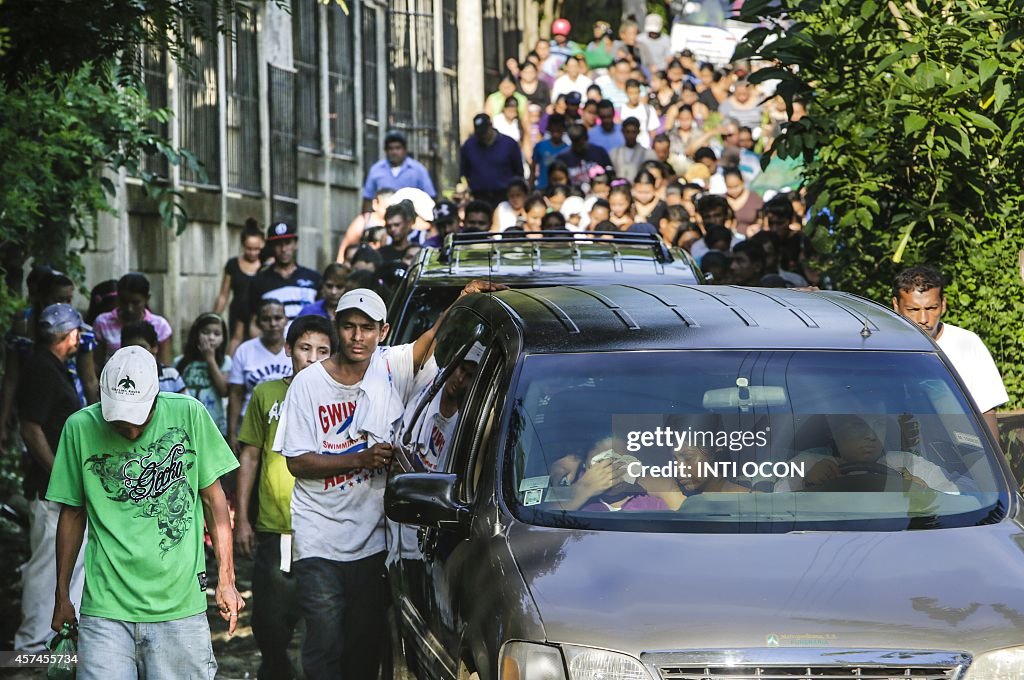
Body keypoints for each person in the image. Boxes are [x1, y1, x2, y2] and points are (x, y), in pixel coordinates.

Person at [278, 280, 501, 680]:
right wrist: (359, 458)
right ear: (337, 327)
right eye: (349, 326)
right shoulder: (309, 384)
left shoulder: (388, 365)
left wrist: (462, 301)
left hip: (373, 541)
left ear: (382, 332)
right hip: (319, 538)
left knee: (364, 644)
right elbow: (297, 461)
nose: (357, 336)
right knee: (324, 642)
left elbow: (432, 338)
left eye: (368, 327)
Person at [48, 346, 243, 677]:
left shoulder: (190, 414)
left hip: (179, 606)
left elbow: (214, 499)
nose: (132, 431)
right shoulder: (80, 428)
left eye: (140, 418)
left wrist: (226, 578)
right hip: (105, 608)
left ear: (156, 396)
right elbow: (72, 515)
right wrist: (62, 593)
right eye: (121, 421)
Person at [235, 315, 336, 680]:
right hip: (277, 529)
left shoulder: (340, 398)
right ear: (288, 350)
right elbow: (249, 456)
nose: (312, 358)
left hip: (326, 530)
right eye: (305, 349)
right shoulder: (266, 394)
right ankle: (277, 669)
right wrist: (242, 518)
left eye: (322, 351)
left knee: (322, 621)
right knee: (269, 620)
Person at [13, 304, 87, 652]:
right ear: (68, 335)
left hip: (59, 488)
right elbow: (31, 427)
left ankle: (59, 645)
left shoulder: (51, 367)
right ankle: (31, 646)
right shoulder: (43, 369)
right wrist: (60, 475)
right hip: (50, 490)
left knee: (66, 562)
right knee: (46, 564)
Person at [892, 265, 1008, 441]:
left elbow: (986, 412)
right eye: (913, 310)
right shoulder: (884, 347)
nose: (923, 319)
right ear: (896, 306)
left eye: (931, 308)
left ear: (943, 305)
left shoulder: (968, 343)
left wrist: (991, 466)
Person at [777, 412, 959, 492]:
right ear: (833, 432)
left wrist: (923, 491)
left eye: (879, 424)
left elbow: (957, 498)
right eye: (858, 426)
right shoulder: (807, 462)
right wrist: (806, 483)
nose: (871, 435)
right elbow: (775, 508)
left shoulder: (908, 464)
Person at [229, 299, 292, 452]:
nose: (273, 323)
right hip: (251, 423)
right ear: (258, 322)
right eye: (266, 319)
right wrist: (232, 433)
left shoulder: (296, 349)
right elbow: (236, 394)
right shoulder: (245, 350)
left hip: (288, 422)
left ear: (286, 320)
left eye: (278, 318)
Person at [248, 221, 322, 326]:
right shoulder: (259, 282)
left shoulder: (314, 278)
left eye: (287, 243)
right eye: (278, 244)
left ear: (295, 244)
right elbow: (253, 324)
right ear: (271, 247)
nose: (283, 249)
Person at [94, 272, 173, 367]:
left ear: (147, 299)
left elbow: (164, 365)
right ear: (118, 297)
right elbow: (97, 364)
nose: (129, 308)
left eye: (135, 303)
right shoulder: (103, 323)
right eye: (124, 302)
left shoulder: (160, 326)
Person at [176, 312, 233, 438]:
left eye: (217, 334)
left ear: (223, 339)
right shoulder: (180, 362)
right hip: (186, 424)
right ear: (196, 334)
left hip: (214, 425)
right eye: (206, 332)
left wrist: (210, 359)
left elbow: (224, 390)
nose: (211, 338)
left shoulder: (225, 362)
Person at [215, 219, 265, 354]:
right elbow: (223, 295)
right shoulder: (232, 265)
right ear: (243, 245)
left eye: (257, 249)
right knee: (235, 343)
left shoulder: (267, 266)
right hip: (238, 311)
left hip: (259, 313)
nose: (253, 253)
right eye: (249, 248)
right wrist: (214, 317)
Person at [360, 130, 436, 213]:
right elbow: (368, 199)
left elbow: (430, 198)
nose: (394, 152)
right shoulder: (376, 170)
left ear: (405, 150)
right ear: (386, 151)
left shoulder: (418, 170)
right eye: (391, 149)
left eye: (398, 148)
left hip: (412, 220)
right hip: (382, 219)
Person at [460, 114, 525, 209]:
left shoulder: (509, 144)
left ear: (491, 126)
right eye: (479, 133)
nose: (482, 136)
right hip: (479, 195)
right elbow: (465, 171)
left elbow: (518, 172)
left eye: (484, 132)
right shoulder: (469, 146)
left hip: (504, 196)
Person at [121, 320, 186, 393]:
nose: (135, 353)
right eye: (129, 348)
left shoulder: (171, 376)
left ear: (154, 347)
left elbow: (186, 402)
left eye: (141, 347)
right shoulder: (118, 376)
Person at [336, 188, 395, 266]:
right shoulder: (364, 221)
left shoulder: (398, 225)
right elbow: (346, 245)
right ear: (375, 203)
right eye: (386, 208)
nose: (389, 212)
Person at [557, 123, 614, 189]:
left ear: (586, 138)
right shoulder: (563, 158)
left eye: (581, 143)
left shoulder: (599, 152)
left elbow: (610, 174)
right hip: (574, 194)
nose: (578, 147)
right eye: (575, 143)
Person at [531, 113, 569, 190]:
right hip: (542, 188)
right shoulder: (540, 146)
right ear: (549, 128)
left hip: (561, 190)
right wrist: (531, 186)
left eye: (558, 129)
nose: (555, 132)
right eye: (553, 129)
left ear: (563, 129)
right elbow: (533, 168)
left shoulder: (568, 149)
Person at [723, 168, 765, 236]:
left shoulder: (755, 198)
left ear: (743, 182)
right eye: (730, 187)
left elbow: (762, 219)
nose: (733, 191)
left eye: (736, 186)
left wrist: (756, 227)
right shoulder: (721, 200)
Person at [620, 79, 660, 148]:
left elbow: (653, 133)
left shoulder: (648, 109)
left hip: (645, 148)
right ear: (626, 92)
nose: (634, 96)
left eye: (636, 93)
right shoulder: (621, 110)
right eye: (631, 93)